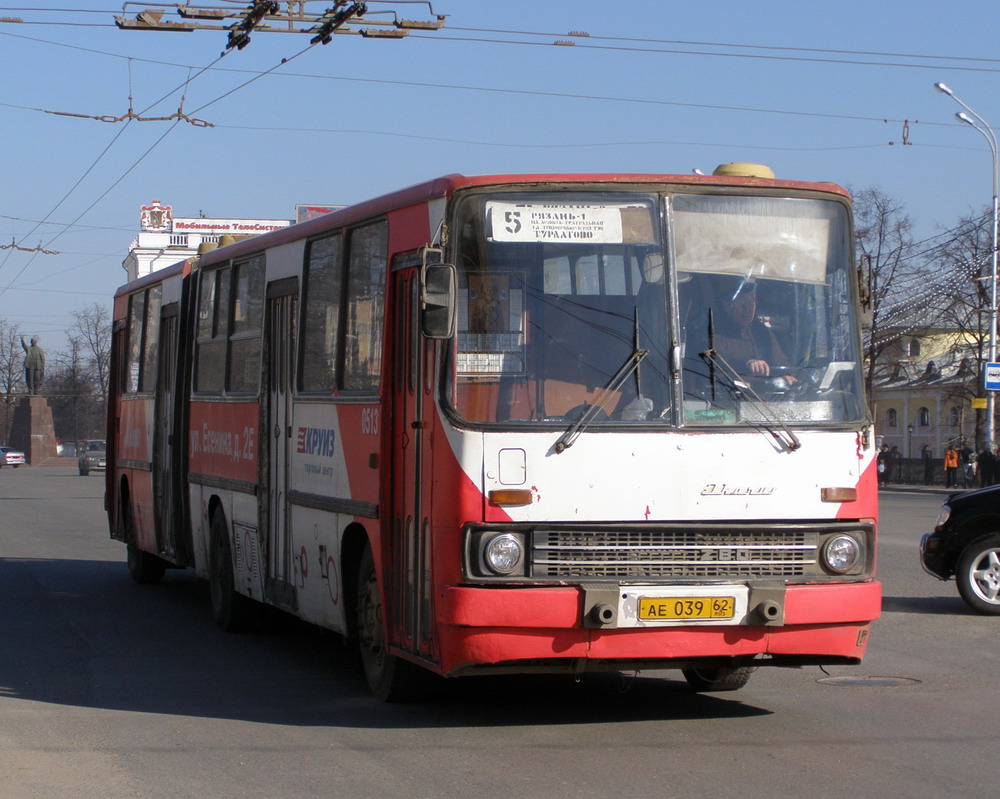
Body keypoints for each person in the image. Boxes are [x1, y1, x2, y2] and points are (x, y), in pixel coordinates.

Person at [710, 276, 795, 384]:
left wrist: (787, 376)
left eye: (752, 302)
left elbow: (783, 364)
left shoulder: (762, 332)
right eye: (741, 303)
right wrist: (747, 363)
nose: (748, 309)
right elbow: (714, 364)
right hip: (728, 396)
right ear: (726, 305)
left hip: (764, 397)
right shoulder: (713, 332)